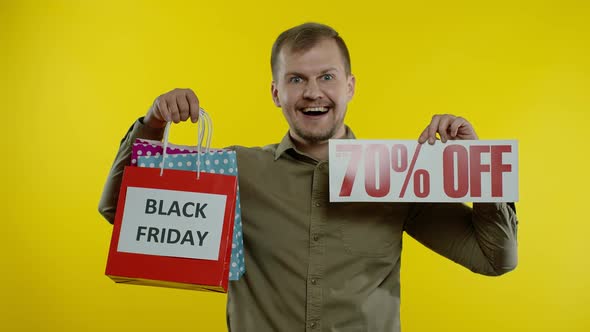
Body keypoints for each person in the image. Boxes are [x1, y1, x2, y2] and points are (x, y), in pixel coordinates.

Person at [99, 22, 518, 332]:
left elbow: (494, 258)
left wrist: (474, 165)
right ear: (276, 92)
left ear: (350, 87)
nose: (313, 92)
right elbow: (120, 210)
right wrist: (153, 123)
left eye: (327, 77)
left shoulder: (398, 174)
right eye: (296, 79)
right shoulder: (233, 171)